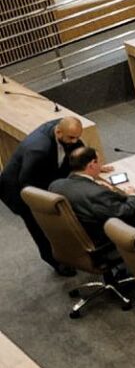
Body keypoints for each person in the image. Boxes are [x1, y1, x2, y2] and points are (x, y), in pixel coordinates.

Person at [0, 116, 86, 274]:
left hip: (41, 176)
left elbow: (76, 148)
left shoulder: (64, 129)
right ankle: (55, 261)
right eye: (71, 138)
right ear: (58, 132)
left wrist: (89, 163)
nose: (75, 141)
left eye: (77, 137)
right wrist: (47, 203)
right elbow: (27, 184)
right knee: (39, 224)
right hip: (18, 190)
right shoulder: (39, 149)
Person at [47, 146, 135, 250]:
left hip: (72, 234)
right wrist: (132, 195)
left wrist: (96, 186)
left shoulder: (55, 185)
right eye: (99, 161)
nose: (101, 164)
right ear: (92, 165)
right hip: (99, 235)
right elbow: (124, 211)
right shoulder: (97, 194)